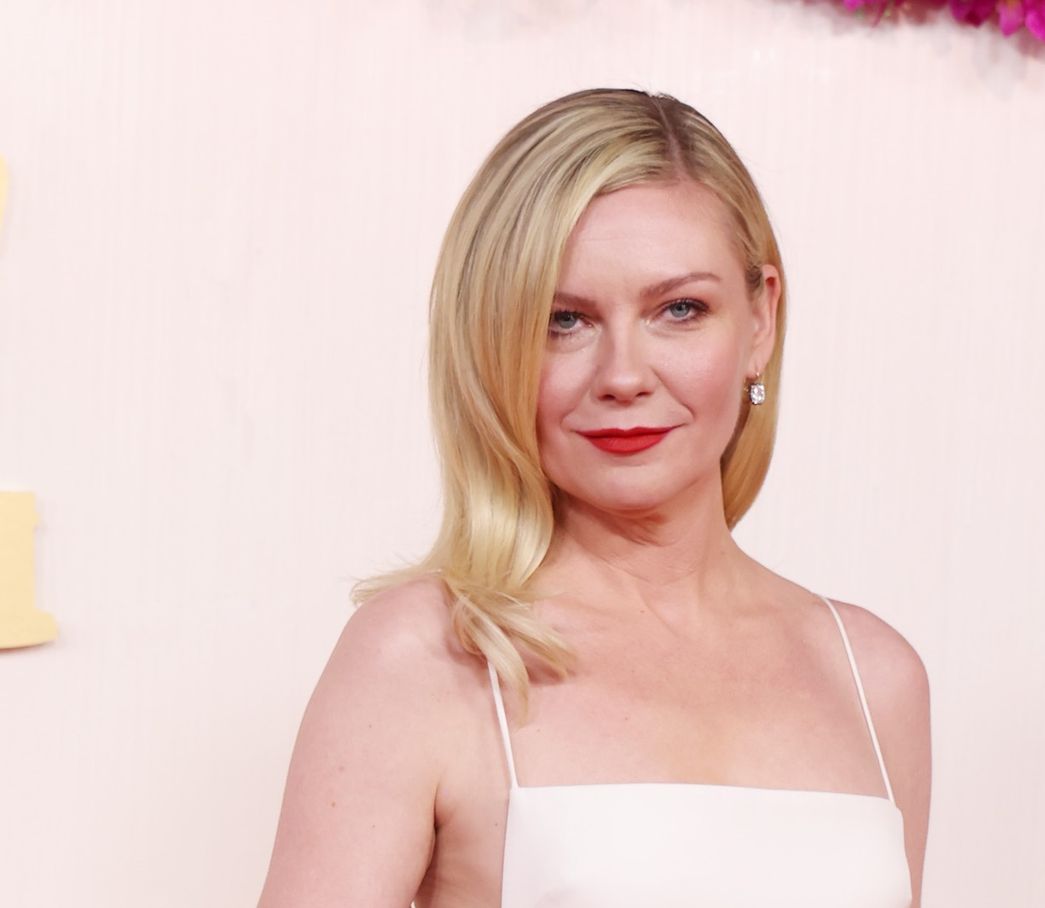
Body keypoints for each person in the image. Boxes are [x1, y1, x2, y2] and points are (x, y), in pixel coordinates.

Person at [256, 87, 932, 908]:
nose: (622, 376)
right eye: (563, 320)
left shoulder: (873, 677)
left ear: (759, 321)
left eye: (679, 309)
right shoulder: (428, 657)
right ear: (493, 340)